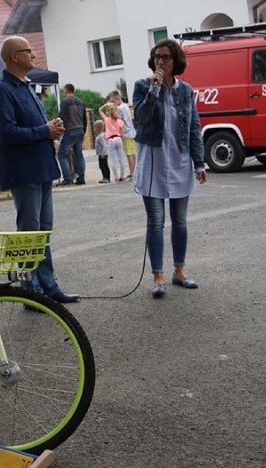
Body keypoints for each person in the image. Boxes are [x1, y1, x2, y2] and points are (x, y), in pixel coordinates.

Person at [0, 35, 79, 304]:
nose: (33, 55)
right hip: (24, 170)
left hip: (41, 168)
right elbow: (6, 134)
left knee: (42, 231)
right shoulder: (2, 90)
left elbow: (30, 128)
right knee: (29, 232)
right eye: (28, 51)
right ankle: (30, 289)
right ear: (14, 56)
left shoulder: (25, 86)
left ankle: (48, 285)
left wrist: (50, 127)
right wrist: (45, 130)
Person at [132, 38, 208, 298]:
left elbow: (194, 127)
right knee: (155, 222)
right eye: (156, 56)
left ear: (176, 61)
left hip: (179, 160)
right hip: (152, 161)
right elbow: (140, 119)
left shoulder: (186, 90)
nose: (160, 61)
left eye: (165, 57)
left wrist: (199, 161)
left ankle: (179, 271)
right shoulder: (142, 86)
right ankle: (157, 276)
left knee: (180, 221)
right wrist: (154, 90)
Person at [56, 83, 87, 185]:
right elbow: (84, 119)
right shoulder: (81, 102)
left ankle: (68, 178)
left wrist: (59, 129)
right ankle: (81, 177)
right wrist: (83, 131)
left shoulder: (65, 102)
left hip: (70, 130)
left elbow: (63, 117)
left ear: (66, 90)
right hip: (80, 130)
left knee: (61, 154)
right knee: (79, 155)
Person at [107, 90, 137, 179]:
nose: (112, 104)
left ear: (117, 99)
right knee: (133, 153)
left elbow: (116, 119)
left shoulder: (119, 108)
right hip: (131, 131)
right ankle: (135, 170)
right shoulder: (125, 106)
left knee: (129, 154)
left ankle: (132, 172)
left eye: (113, 101)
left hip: (126, 133)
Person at [100, 103, 128, 182]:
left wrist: (105, 105)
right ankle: (122, 175)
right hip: (118, 139)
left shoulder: (107, 120)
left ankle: (116, 177)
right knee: (121, 158)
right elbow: (122, 134)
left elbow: (99, 110)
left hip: (110, 140)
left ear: (108, 112)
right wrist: (124, 143)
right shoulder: (120, 121)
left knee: (113, 160)